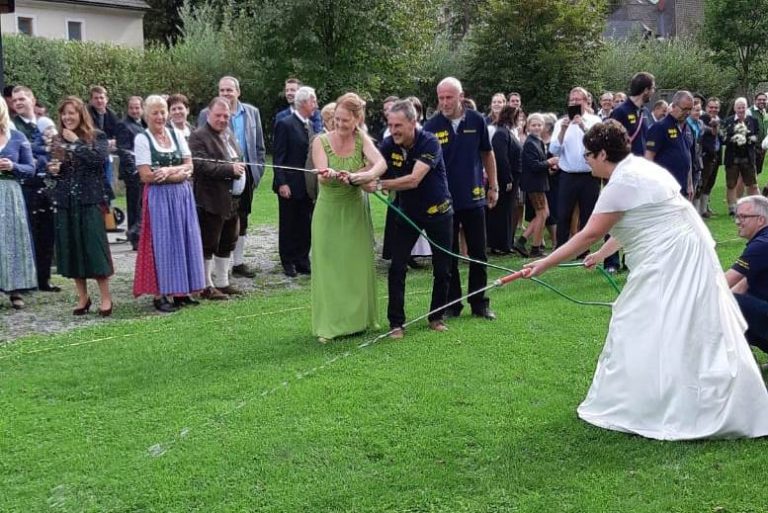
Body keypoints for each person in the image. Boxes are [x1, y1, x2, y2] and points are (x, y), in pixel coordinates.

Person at [524, 121, 768, 440]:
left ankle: (664, 403)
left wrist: (544, 264)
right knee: (666, 322)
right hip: (684, 250)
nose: (586, 160)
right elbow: (638, 221)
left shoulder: (622, 182)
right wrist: (601, 255)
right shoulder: (640, 168)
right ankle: (666, 393)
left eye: (588, 155)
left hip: (672, 258)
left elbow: (590, 232)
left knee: (647, 319)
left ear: (601, 154)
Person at [361, 99, 454, 338]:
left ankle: (436, 317)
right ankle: (396, 323)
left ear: (414, 122)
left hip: (438, 211)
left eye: (398, 125)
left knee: (443, 268)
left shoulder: (430, 142)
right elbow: (371, 167)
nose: (393, 131)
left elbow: (414, 180)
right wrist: (352, 175)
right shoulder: (388, 144)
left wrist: (380, 183)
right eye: (390, 125)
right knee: (397, 267)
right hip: (407, 213)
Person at [308, 93, 382, 342]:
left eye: (345, 120)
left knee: (355, 264)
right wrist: (328, 173)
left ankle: (358, 321)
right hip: (329, 210)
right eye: (336, 119)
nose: (339, 124)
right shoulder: (320, 141)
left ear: (357, 119)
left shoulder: (362, 139)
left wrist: (363, 175)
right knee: (329, 267)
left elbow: (380, 163)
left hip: (354, 209)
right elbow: (320, 175)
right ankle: (329, 325)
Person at [423, 77, 498, 321]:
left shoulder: (477, 120)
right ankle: (452, 304)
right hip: (444, 199)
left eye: (449, 97)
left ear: (461, 96)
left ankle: (480, 303)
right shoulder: (431, 125)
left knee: (478, 252)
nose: (444, 102)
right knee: (449, 254)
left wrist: (493, 186)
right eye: (441, 97)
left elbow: (488, 154)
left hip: (474, 197)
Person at [132, 95, 205, 313]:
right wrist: (178, 174)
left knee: (185, 238)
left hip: (182, 195)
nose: (160, 116)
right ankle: (160, 294)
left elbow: (190, 165)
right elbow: (146, 175)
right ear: (146, 115)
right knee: (162, 242)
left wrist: (168, 171)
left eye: (163, 112)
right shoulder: (142, 139)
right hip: (159, 196)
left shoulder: (176, 134)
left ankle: (182, 291)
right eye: (155, 112)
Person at [49, 96, 113, 316]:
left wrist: (75, 142)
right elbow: (57, 173)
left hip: (90, 199)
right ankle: (83, 298)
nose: (67, 117)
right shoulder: (57, 140)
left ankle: (106, 298)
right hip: (67, 202)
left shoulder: (97, 137)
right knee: (73, 248)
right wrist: (54, 171)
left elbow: (98, 161)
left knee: (95, 248)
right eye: (64, 114)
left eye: (71, 113)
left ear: (81, 114)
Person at [197, 76, 266, 279]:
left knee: (241, 219)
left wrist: (257, 172)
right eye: (222, 90)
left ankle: (239, 262)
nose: (226, 93)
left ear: (238, 91)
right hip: (218, 180)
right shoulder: (205, 114)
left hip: (245, 177)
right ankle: (216, 272)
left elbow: (259, 145)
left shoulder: (251, 113)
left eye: (229, 90)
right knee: (217, 223)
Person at [189, 97, 247, 300]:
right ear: (208, 113)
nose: (222, 119)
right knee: (209, 242)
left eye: (226, 116)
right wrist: (229, 169)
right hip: (211, 199)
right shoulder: (198, 136)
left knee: (228, 241)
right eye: (218, 115)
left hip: (232, 200)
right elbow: (200, 166)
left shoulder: (228, 134)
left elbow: (237, 157)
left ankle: (222, 282)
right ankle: (205, 285)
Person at [11, 85, 58, 291]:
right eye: (15, 100)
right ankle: (28, 280)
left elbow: (55, 149)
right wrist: (42, 156)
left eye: (22, 99)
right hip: (26, 185)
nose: (18, 103)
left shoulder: (44, 124)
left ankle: (44, 278)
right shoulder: (13, 127)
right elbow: (25, 155)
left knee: (47, 232)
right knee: (28, 232)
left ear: (32, 99)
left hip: (47, 184)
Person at [273, 86, 317, 277]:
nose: (315, 104)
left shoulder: (311, 125)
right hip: (290, 185)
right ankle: (288, 260)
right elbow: (278, 157)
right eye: (313, 100)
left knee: (304, 223)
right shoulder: (285, 124)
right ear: (303, 102)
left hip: (306, 185)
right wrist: (282, 183)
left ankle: (302, 259)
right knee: (289, 223)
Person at [549, 86, 601, 249]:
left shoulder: (595, 121)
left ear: (586, 102)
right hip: (568, 174)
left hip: (589, 174)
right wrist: (563, 130)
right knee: (563, 213)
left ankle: (583, 250)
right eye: (572, 100)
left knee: (587, 215)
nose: (574, 103)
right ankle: (561, 249)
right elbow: (554, 150)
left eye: (578, 100)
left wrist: (583, 127)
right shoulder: (560, 123)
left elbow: (597, 145)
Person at [0, 97, 38, 308]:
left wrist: (12, 166)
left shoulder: (17, 137)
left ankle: (15, 289)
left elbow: (30, 168)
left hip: (11, 193)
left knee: (13, 239)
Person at [725, 195, 768, 354]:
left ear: (761, 220)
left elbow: (723, 284)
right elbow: (740, 286)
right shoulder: (762, 242)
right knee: (729, 302)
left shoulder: (762, 245)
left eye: (743, 217)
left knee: (728, 303)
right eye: (737, 216)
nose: (737, 221)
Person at [516, 113, 559, 257]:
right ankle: (535, 248)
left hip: (540, 182)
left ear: (543, 127)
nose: (536, 127)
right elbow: (534, 166)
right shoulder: (529, 143)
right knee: (542, 214)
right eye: (533, 125)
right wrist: (550, 162)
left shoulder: (538, 141)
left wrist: (549, 167)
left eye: (539, 125)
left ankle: (521, 241)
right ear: (528, 127)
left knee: (544, 213)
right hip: (534, 184)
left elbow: (539, 163)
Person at [645, 90, 694, 198]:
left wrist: (690, 184)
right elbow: (648, 158)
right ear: (674, 106)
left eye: (690, 109)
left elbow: (687, 156)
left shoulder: (686, 128)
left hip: (682, 186)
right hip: (663, 188)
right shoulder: (660, 127)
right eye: (684, 109)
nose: (687, 113)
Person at [487, 105, 521, 254]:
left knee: (508, 210)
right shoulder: (501, 134)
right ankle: (500, 244)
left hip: (512, 177)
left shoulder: (507, 132)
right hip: (505, 178)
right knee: (502, 211)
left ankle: (506, 242)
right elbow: (501, 158)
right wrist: (507, 178)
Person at [115, 96, 146, 250]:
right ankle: (135, 237)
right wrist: (135, 169)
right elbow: (123, 149)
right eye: (132, 108)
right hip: (132, 172)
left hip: (144, 170)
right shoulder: (123, 125)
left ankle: (140, 234)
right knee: (134, 205)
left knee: (142, 205)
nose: (134, 111)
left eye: (137, 108)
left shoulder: (144, 123)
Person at [723, 97, 760, 215]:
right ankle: (733, 209)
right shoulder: (728, 121)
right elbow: (723, 138)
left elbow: (756, 136)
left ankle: (758, 207)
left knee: (752, 184)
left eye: (743, 107)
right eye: (739, 107)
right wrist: (735, 138)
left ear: (746, 107)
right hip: (732, 158)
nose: (741, 109)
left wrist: (749, 139)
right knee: (731, 184)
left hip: (747, 158)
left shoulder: (752, 120)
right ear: (734, 109)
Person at [698, 97, 723, 217]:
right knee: (702, 182)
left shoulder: (719, 120)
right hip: (705, 156)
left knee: (710, 183)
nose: (713, 109)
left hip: (716, 155)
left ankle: (704, 209)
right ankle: (698, 210)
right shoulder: (702, 119)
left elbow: (721, 138)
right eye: (711, 107)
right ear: (706, 108)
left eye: (716, 107)